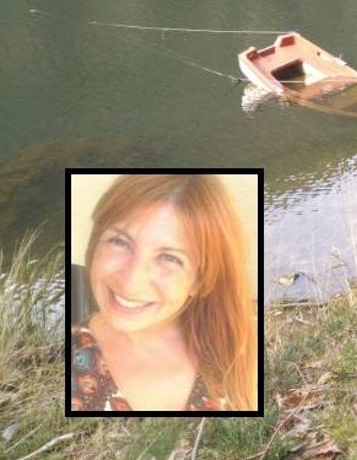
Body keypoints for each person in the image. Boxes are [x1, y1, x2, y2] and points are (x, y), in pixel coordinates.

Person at [70, 174, 257, 411]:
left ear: (199, 280)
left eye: (169, 258)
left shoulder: (238, 348)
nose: (132, 281)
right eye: (120, 242)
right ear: (96, 243)